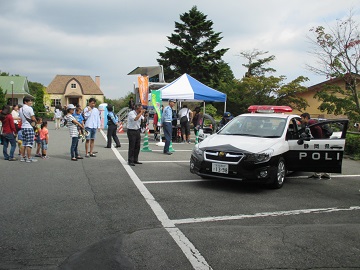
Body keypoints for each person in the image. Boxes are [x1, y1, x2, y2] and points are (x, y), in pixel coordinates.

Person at [300, 112, 330, 179]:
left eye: (302, 118)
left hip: (319, 142)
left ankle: (319, 174)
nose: (301, 120)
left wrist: (319, 140)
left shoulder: (311, 122)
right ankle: (323, 173)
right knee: (320, 158)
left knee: (319, 158)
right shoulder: (309, 123)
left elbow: (318, 129)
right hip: (321, 141)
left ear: (306, 117)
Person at [19, 97, 38, 162]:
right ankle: (29, 158)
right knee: (29, 143)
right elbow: (33, 118)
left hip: (23, 127)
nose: (31, 102)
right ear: (25, 102)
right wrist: (36, 122)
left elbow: (20, 118)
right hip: (29, 127)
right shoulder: (29, 108)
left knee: (24, 143)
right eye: (30, 101)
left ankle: (23, 156)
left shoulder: (20, 109)